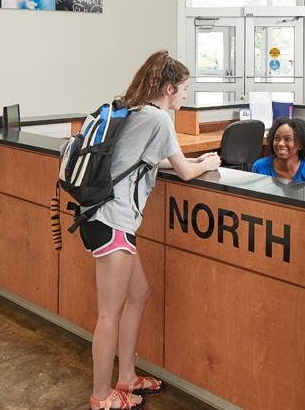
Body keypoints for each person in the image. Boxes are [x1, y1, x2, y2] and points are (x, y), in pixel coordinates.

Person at [82, 51, 221, 410]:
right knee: (109, 313)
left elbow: (145, 158)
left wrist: (193, 162)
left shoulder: (136, 110)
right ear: (170, 88)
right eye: (185, 89)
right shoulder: (159, 118)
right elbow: (186, 172)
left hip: (108, 219)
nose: (187, 97)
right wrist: (206, 162)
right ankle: (101, 395)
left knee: (140, 293)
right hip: (113, 221)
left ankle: (127, 377)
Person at [251, 117, 305, 182]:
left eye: (287, 139)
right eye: (277, 138)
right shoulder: (259, 167)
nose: (280, 143)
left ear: (300, 145)